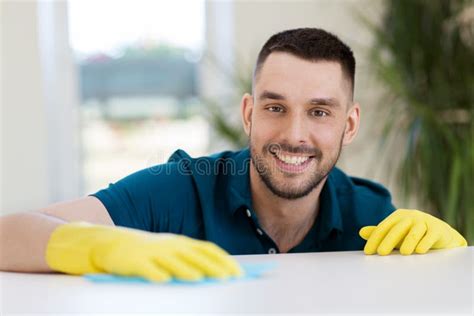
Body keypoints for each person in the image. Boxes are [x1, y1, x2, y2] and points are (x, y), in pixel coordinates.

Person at [0, 28, 467, 282]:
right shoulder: (180, 188)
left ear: (350, 123)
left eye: (320, 112)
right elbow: (7, 234)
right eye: (275, 107)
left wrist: (452, 266)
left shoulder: (370, 216)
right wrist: (94, 245)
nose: (294, 134)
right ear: (248, 112)